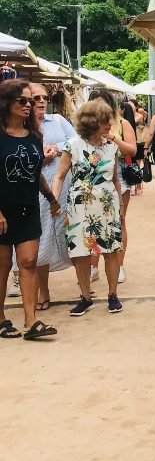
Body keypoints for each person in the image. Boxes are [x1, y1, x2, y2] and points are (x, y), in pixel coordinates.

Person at [52, 99, 125, 315]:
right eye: (105, 120)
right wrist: (54, 200)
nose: (110, 124)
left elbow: (115, 179)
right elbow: (59, 176)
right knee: (81, 252)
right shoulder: (72, 145)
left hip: (107, 204)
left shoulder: (112, 147)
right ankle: (85, 297)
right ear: (92, 122)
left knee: (111, 250)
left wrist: (120, 204)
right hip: (80, 206)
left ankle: (113, 295)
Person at [0, 80, 60, 340]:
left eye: (32, 101)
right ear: (6, 103)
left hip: (28, 208)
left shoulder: (35, 136)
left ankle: (31, 321)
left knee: (28, 262)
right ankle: (0, 318)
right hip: (3, 212)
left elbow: (35, 173)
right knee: (3, 266)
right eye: (22, 100)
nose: (29, 105)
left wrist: (51, 198)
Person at [30, 83, 76, 311]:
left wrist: (56, 148)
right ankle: (43, 290)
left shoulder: (57, 120)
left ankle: (84, 285)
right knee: (42, 239)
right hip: (37, 190)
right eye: (36, 97)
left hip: (64, 188)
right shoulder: (22, 126)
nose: (41, 101)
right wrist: (40, 155)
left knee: (71, 233)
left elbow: (76, 141)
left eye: (44, 97)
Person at [89, 89, 137, 284]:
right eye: (95, 104)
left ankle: (119, 264)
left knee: (119, 220)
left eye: (103, 103)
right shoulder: (85, 125)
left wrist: (112, 137)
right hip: (92, 178)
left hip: (118, 175)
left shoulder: (121, 123)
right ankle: (93, 266)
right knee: (92, 222)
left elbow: (132, 150)